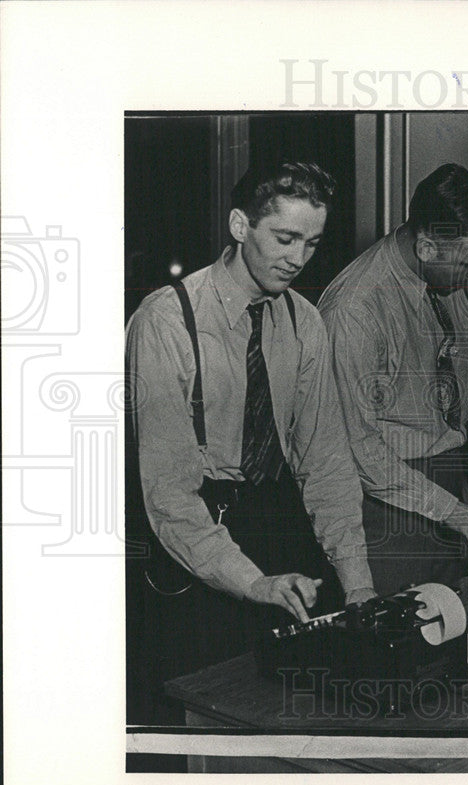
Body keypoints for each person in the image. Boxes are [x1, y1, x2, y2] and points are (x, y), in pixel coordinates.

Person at [125, 161, 376, 724]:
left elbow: (327, 465)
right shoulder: (167, 321)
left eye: (311, 243)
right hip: (193, 547)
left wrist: (358, 585)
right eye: (284, 238)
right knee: (214, 715)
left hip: (275, 520)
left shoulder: (306, 323)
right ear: (241, 225)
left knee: (306, 714)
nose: (297, 258)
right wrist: (253, 583)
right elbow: (168, 495)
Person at [318, 164, 468, 596]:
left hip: (449, 482)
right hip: (386, 503)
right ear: (428, 247)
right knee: (401, 641)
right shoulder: (353, 311)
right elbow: (357, 449)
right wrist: (449, 510)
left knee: (461, 632)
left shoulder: (444, 278)